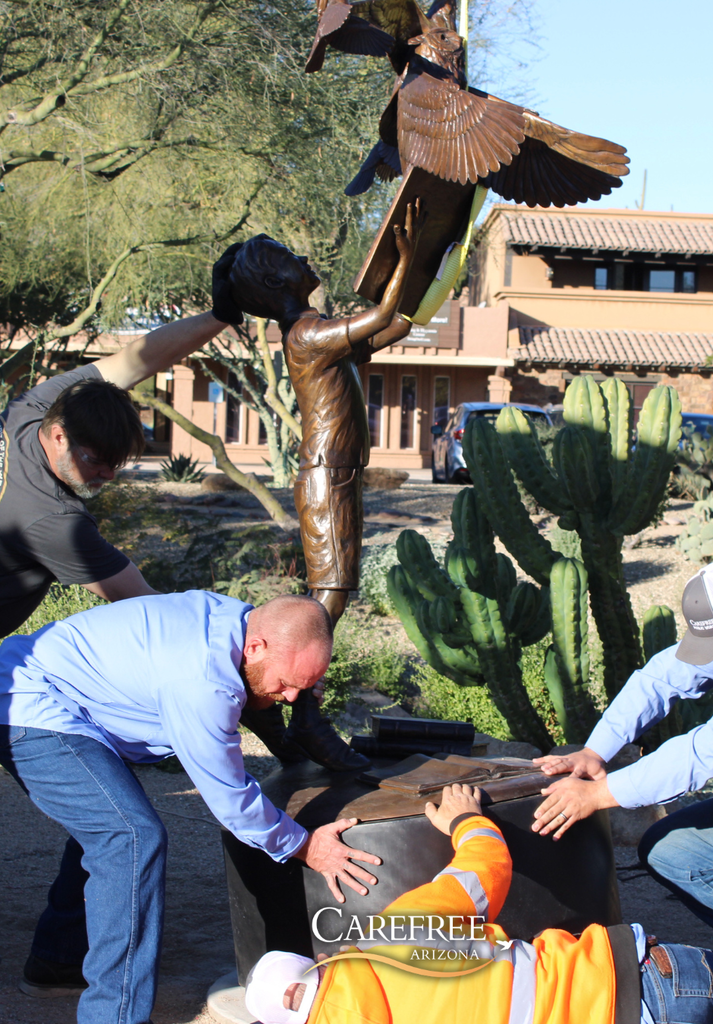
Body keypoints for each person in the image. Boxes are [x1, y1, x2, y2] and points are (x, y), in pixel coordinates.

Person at [0, 591, 381, 1024]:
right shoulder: (203, 680)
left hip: (60, 699)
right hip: (28, 702)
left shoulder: (240, 627)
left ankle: (59, 959)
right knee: (130, 837)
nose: (292, 697)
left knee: (111, 820)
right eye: (287, 683)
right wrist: (307, 846)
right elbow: (232, 801)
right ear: (256, 648)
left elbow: (258, 693)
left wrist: (293, 695)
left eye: (304, 686)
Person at [245, 783, 713, 1024]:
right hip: (648, 980)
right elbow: (485, 868)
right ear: (320, 963)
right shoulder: (396, 936)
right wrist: (466, 820)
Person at [532, 559, 713, 976]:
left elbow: (706, 751)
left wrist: (599, 795)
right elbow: (660, 678)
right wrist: (596, 751)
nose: (712, 655)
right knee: (670, 851)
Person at [226, 199, 424, 771]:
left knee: (332, 594)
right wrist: (406, 257)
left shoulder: (316, 334)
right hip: (326, 475)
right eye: (290, 257)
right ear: (274, 283)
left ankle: (278, 713)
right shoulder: (308, 333)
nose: (305, 258)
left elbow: (395, 324)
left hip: (336, 472)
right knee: (328, 597)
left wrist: (430, 269)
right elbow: (382, 312)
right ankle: (299, 716)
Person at [0, 244, 246, 637]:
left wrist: (220, 316)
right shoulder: (53, 521)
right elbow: (145, 605)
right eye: (96, 461)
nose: (108, 476)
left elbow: (136, 360)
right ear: (60, 436)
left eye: (114, 465)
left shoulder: (33, 410)